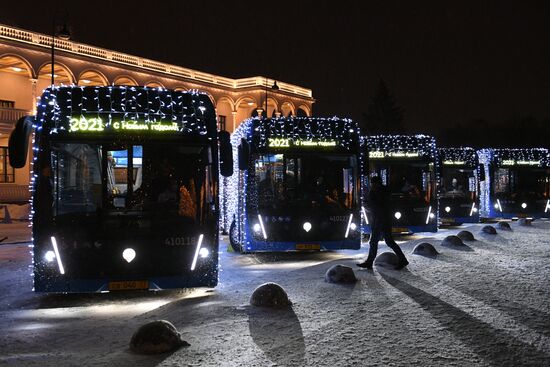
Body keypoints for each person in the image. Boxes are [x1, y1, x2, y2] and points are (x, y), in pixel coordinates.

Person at [357, 175, 409, 270]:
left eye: (373, 183)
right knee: (388, 241)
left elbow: (376, 207)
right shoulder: (384, 191)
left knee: (375, 242)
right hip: (384, 220)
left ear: (376, 184)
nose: (371, 185)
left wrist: (368, 206)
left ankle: (369, 262)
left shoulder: (376, 192)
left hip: (379, 220)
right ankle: (402, 259)